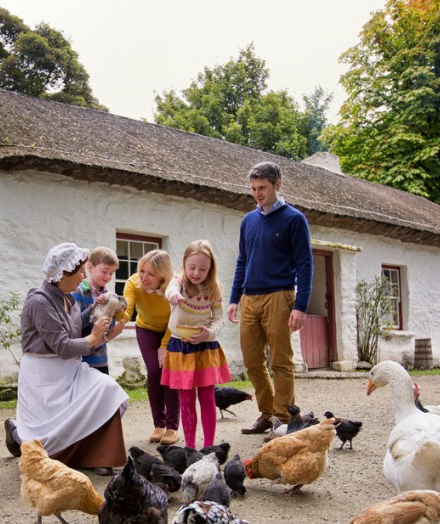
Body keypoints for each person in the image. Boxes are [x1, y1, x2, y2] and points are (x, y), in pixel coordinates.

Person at [3, 242, 129, 475]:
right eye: (80, 271)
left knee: (107, 389)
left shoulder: (66, 298)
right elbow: (62, 345)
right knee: (44, 438)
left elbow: (75, 326)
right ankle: (17, 434)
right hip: (45, 375)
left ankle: (97, 455)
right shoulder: (39, 301)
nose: (83, 275)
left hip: (69, 369)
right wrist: (94, 337)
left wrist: (96, 312)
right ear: (63, 273)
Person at [227, 161, 314, 435]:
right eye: (253, 188)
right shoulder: (248, 221)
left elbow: (305, 263)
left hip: (280, 295)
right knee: (253, 362)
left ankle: (283, 419)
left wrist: (301, 305)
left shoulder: (294, 219)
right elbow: (243, 260)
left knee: (280, 361)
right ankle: (266, 414)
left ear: (277, 185)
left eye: (262, 187)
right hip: (250, 298)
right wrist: (234, 297)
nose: (257, 193)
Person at [161, 240, 231, 449]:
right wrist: (173, 295)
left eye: (203, 268)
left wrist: (208, 333)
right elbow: (170, 289)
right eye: (192, 267)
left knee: (208, 397)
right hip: (180, 347)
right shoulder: (179, 282)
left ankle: (209, 446)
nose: (196, 272)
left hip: (205, 346)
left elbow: (220, 319)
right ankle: (190, 447)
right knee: (186, 398)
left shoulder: (214, 288)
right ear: (184, 263)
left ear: (211, 268)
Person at [121, 249, 180, 445]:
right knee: (154, 372)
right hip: (146, 329)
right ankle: (158, 425)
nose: (144, 277)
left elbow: (177, 318)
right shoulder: (133, 282)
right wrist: (117, 317)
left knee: (168, 372)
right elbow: (127, 309)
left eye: (151, 274)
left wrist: (164, 345)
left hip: (171, 330)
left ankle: (172, 427)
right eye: (142, 271)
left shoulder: (174, 287)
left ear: (162, 276)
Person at [71, 247, 126, 374]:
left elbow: (106, 327)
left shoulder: (108, 295)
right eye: (105, 271)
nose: (108, 277)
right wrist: (94, 306)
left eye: (112, 273)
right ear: (90, 267)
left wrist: (113, 315)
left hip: (100, 358)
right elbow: (77, 324)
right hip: (81, 360)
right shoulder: (78, 291)